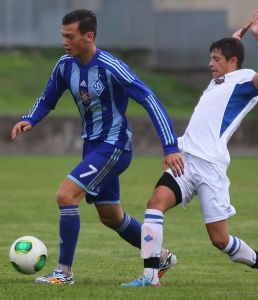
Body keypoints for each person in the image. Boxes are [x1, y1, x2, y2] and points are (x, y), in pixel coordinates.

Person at [10, 9, 184, 285]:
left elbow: (149, 99)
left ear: (88, 36)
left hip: (114, 146)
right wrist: (29, 119)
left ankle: (63, 273)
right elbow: (47, 98)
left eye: (70, 36)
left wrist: (170, 145)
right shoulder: (64, 65)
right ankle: (159, 256)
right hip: (92, 147)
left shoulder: (112, 67)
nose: (65, 42)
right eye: (63, 36)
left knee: (66, 196)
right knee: (110, 216)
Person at [122, 9, 258, 287]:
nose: (210, 63)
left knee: (219, 240)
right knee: (155, 205)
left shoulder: (245, 81)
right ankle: (150, 276)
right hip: (185, 160)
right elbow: (227, 62)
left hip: (211, 167)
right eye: (210, 58)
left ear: (233, 62)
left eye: (216, 59)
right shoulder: (218, 81)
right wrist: (234, 38)